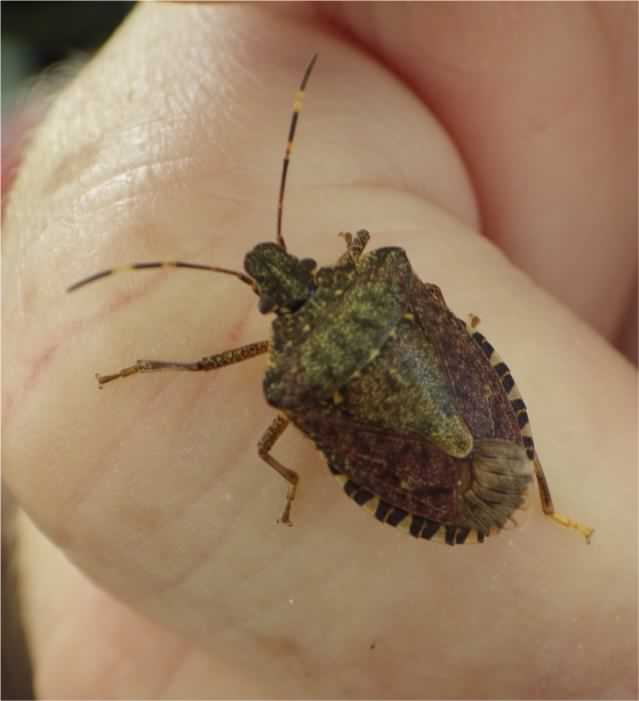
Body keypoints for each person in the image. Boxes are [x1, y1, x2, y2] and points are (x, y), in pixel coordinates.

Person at [3, 3, 637, 697]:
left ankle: (543, 508)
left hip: (417, 478)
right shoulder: (376, 274)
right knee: (494, 409)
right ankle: (550, 509)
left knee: (280, 439)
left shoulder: (291, 380)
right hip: (447, 372)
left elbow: (264, 435)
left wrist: (156, 371)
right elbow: (416, 288)